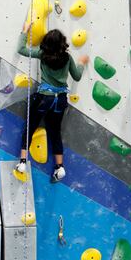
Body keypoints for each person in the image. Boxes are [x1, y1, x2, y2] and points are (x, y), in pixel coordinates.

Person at [15, 28, 88, 183]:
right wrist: (81, 63)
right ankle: (60, 167)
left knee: (30, 128)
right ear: (62, 43)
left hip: (44, 98)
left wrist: (24, 31)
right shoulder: (67, 58)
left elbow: (21, 49)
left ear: (46, 44)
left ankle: (22, 163)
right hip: (60, 100)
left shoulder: (43, 55)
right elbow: (77, 76)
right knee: (55, 133)